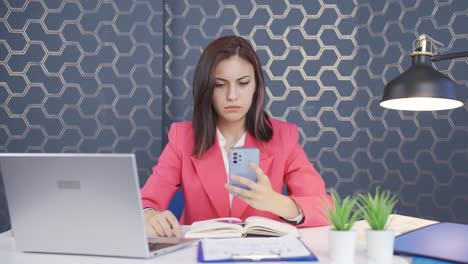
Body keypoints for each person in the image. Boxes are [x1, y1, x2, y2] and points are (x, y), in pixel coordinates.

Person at [140, 35, 332, 237]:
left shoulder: (283, 137)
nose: (232, 95)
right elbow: (147, 201)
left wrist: (276, 202)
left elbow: (325, 209)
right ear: (207, 88)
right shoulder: (182, 138)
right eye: (220, 84)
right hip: (198, 253)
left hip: (263, 254)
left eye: (243, 83)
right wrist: (148, 215)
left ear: (256, 86)